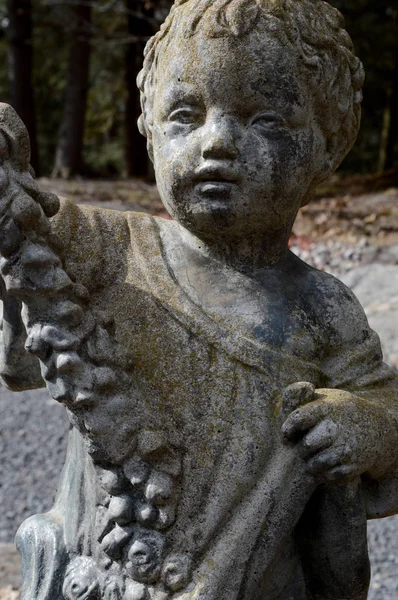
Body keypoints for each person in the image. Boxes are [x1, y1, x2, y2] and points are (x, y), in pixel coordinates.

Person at [1, 1, 398, 599]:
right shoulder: (106, 249)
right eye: (185, 114)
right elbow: (24, 352)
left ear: (328, 142)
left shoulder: (323, 309)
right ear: (149, 127)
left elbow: (385, 406)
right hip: (96, 577)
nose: (217, 143)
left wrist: (366, 425)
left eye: (264, 120)